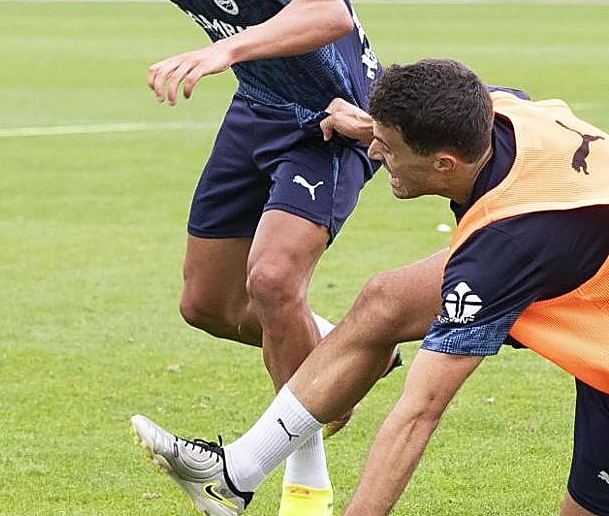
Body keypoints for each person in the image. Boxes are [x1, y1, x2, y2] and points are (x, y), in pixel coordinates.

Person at [0, 0, 386, 515]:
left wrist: (223, 48)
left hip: (333, 116)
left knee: (272, 282)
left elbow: (329, 10)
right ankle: (352, 346)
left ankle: (300, 488)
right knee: (206, 304)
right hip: (258, 105)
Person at [131, 58, 609, 516]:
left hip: (586, 320)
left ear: (444, 164)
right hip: (570, 257)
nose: (375, 154)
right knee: (386, 301)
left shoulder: (500, 250)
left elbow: (418, 413)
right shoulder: (498, 110)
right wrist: (366, 123)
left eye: (386, 146)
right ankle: (236, 473)